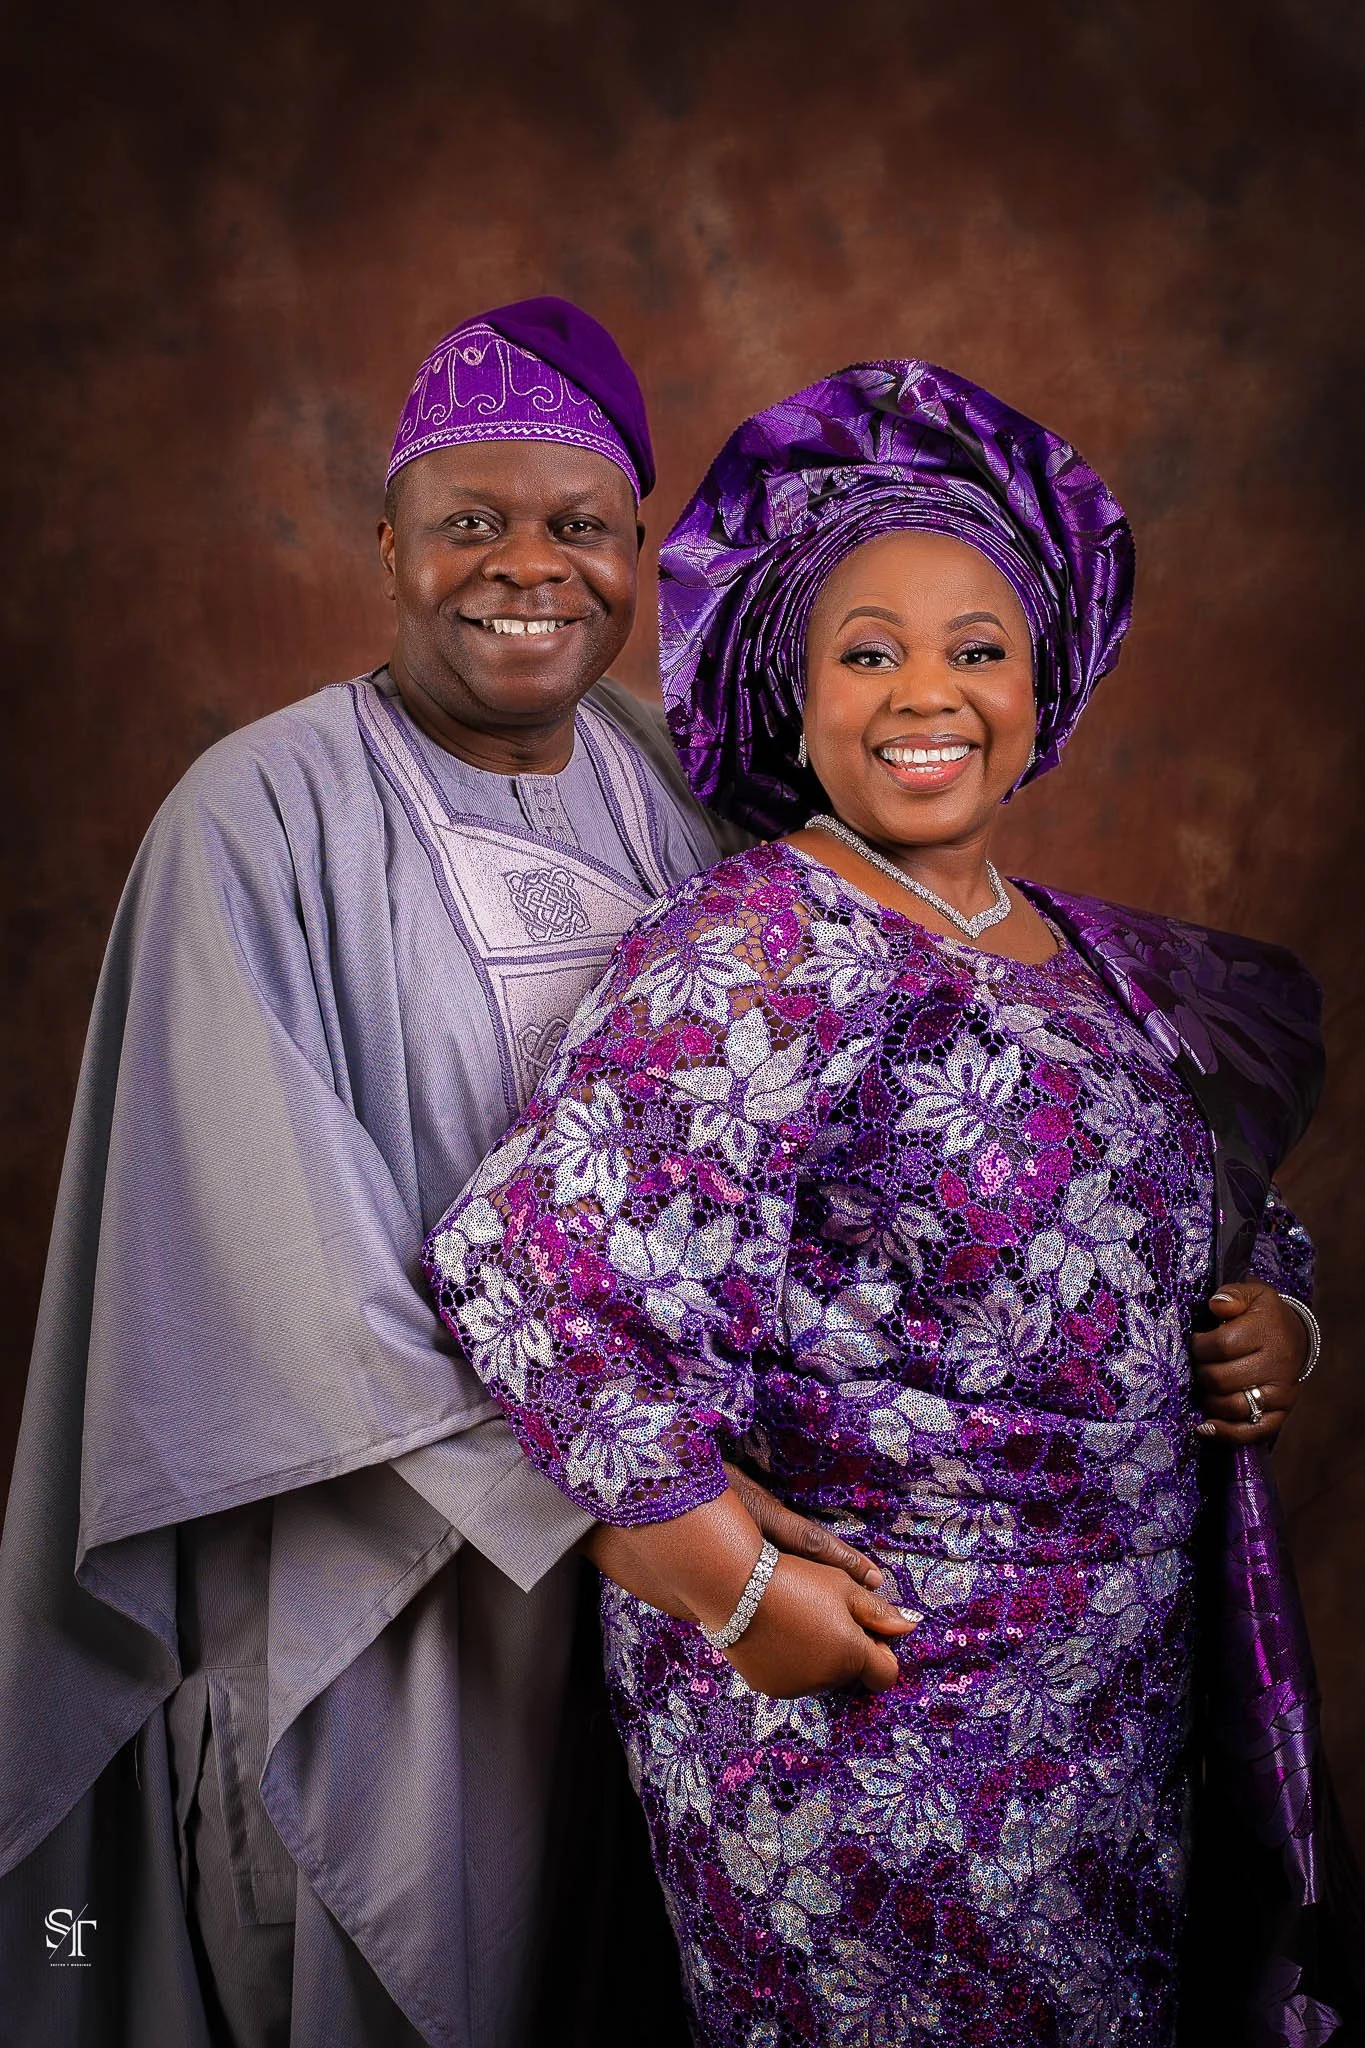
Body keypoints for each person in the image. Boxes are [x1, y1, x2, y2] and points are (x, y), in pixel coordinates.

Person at [423, 360, 1365, 2045]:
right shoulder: (759, 949)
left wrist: (1278, 1313)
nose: (928, 693)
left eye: (976, 650)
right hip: (870, 1712)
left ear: (1042, 687)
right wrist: (727, 1580)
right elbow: (528, 1274)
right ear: (794, 699)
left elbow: (1195, 1202)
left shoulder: (1095, 960)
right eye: (868, 653)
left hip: (1115, 1703)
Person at [0, 299, 880, 2048]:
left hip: (686, 1603)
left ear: (636, 552)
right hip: (399, 1584)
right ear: (388, 546)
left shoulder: (687, 791)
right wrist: (639, 1522)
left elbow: (876, 1103)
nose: (526, 567)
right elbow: (273, 1272)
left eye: (578, 525)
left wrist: (1227, 1287)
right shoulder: (253, 817)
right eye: (471, 521)